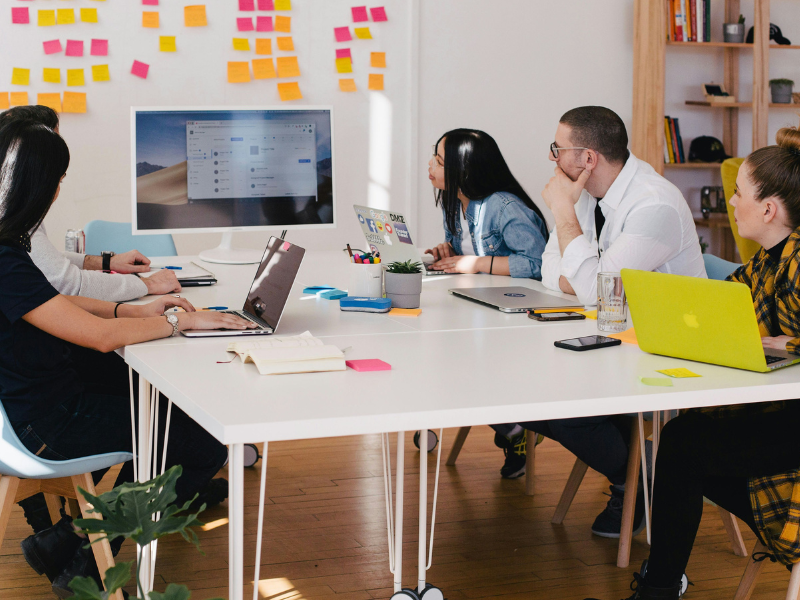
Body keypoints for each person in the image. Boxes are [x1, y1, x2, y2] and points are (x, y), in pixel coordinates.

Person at [0, 120, 257, 596]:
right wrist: (182, 322)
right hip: (45, 425)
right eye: (57, 181)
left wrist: (133, 309)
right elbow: (98, 336)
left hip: (39, 405)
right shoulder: (6, 257)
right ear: (36, 186)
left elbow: (61, 305)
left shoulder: (9, 249)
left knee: (161, 410)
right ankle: (80, 556)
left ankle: (68, 541)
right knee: (201, 445)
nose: (58, 192)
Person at [586, 121, 800, 600]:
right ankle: (662, 582)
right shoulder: (767, 260)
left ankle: (660, 586)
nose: (730, 201)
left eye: (739, 193)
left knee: (684, 446)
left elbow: (777, 335)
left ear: (768, 207)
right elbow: (722, 306)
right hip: (779, 411)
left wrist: (782, 344)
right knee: (688, 444)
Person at [494, 107, 706, 539]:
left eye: (559, 149)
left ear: (587, 158)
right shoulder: (589, 195)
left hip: (663, 346)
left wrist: (565, 217)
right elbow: (550, 268)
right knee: (520, 397)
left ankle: (642, 482)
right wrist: (587, 275)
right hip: (614, 335)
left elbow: (593, 287)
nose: (553, 159)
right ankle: (635, 469)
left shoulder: (654, 205)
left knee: (566, 409)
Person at [0, 105, 181, 301]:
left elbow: (40, 260)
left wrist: (106, 262)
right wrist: (149, 284)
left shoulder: (16, 207)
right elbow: (68, 284)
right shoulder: (10, 217)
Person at [423, 129, 549, 278]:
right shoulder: (453, 201)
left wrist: (477, 264)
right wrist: (451, 251)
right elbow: (469, 252)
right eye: (434, 157)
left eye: (439, 161)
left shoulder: (505, 207)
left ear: (464, 172)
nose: (431, 164)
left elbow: (537, 263)